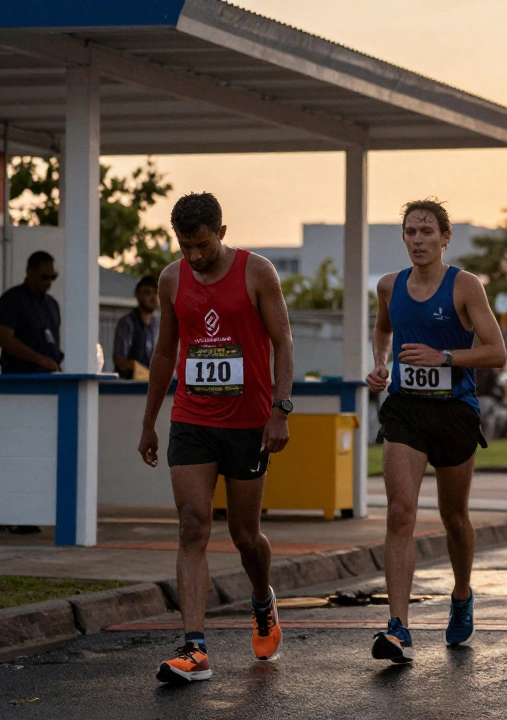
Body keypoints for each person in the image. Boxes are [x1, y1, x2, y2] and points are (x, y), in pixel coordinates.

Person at [138, 192, 294, 684]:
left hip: (248, 423)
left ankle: (262, 599)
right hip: (192, 418)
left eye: (202, 245)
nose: (194, 256)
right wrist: (149, 422)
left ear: (221, 234)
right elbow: (165, 353)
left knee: (245, 536)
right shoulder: (170, 279)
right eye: (185, 246)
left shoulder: (257, 272)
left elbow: (283, 341)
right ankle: (195, 648)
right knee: (192, 524)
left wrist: (280, 411)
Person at [364, 199, 506, 664]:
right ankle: (398, 628)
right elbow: (383, 329)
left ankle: (462, 592)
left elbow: (496, 352)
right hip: (406, 410)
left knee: (454, 517)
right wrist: (381, 364)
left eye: (427, 231)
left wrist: (444, 358)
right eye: (411, 232)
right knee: (400, 512)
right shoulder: (389, 286)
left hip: (454, 411)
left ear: (445, 238)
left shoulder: (465, 286)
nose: (418, 240)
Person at [0, 250, 63, 374]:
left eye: (53, 277)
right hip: (21, 379)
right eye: (44, 277)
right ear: (30, 272)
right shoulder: (13, 299)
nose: (49, 282)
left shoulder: (52, 304)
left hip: (49, 377)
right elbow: (3, 338)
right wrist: (39, 359)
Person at [113, 274, 161, 380]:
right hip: (128, 387)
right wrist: (134, 366)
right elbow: (119, 360)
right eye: (148, 292)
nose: (153, 298)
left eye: (156, 293)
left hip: (151, 384)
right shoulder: (127, 323)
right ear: (137, 294)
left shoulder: (158, 324)